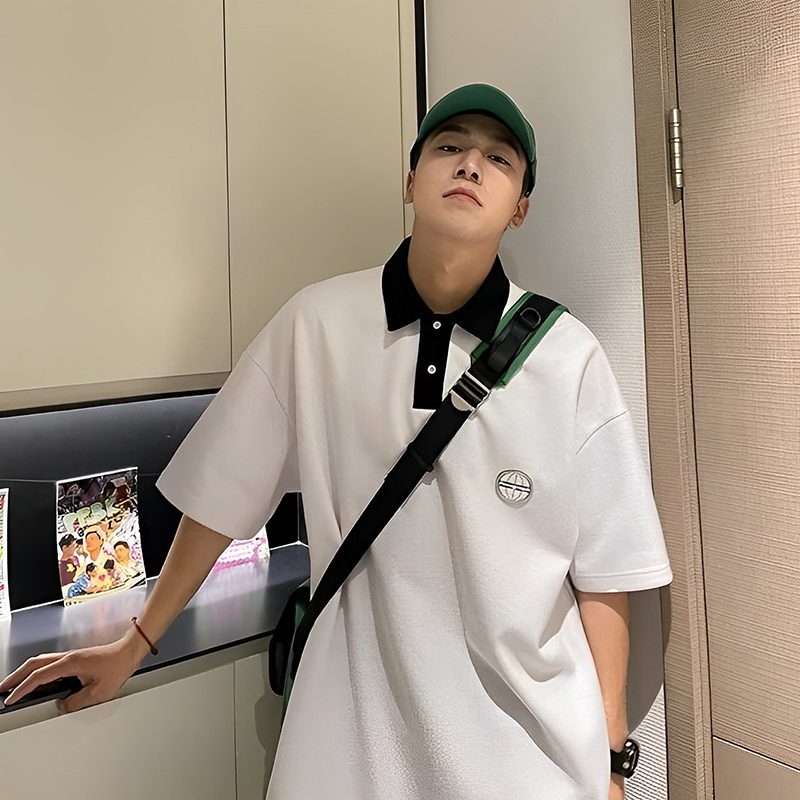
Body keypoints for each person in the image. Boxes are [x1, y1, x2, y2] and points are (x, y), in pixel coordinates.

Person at [0, 84, 671, 800]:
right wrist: (135, 643)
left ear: (520, 208)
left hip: (525, 757)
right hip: (349, 745)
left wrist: (610, 762)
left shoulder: (569, 358)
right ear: (410, 182)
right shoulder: (316, 324)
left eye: (498, 159)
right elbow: (220, 494)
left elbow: (606, 575)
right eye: (449, 147)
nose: (470, 165)